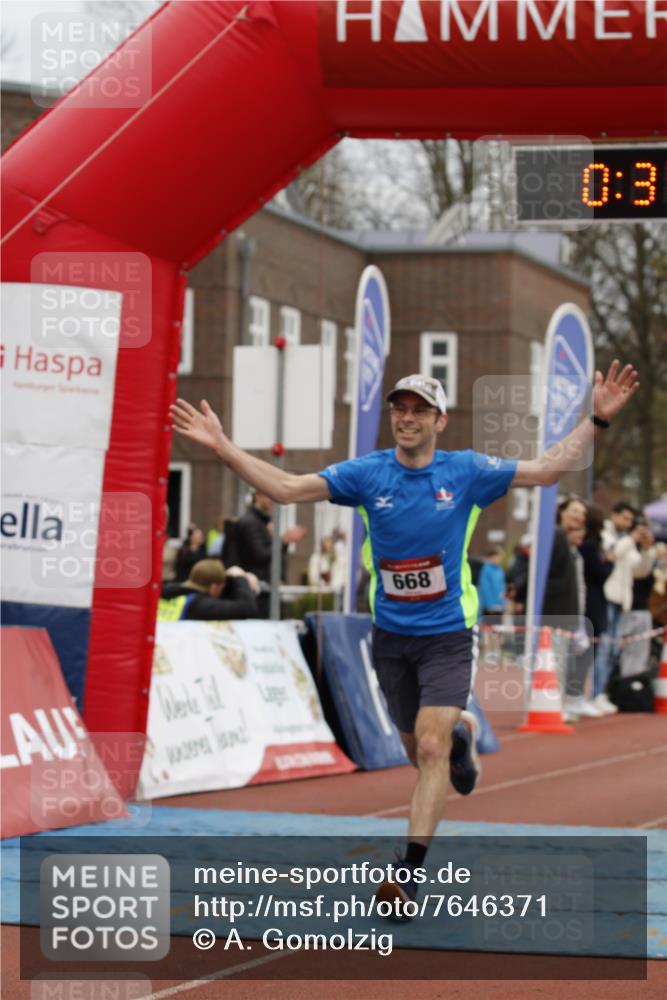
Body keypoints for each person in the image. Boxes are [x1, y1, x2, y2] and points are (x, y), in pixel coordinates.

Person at [170, 361, 639, 917]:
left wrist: (597, 421)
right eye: (400, 409)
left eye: (419, 410)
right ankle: (460, 748)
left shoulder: (465, 471)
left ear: (439, 420)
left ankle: (407, 878)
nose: (407, 418)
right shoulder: (368, 474)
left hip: (446, 633)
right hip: (391, 635)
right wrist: (223, 446)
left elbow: (544, 471)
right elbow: (288, 487)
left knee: (431, 744)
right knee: (419, 750)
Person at [579, 504, 616, 714]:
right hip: (591, 603)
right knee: (589, 651)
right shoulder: (590, 546)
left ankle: (591, 694)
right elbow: (600, 573)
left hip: (593, 601)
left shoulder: (590, 544)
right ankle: (586, 694)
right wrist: (610, 563)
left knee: (591, 651)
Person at [158, 558, 259, 621]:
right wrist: (239, 577)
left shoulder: (166, 593)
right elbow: (246, 608)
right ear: (214, 587)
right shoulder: (200, 605)